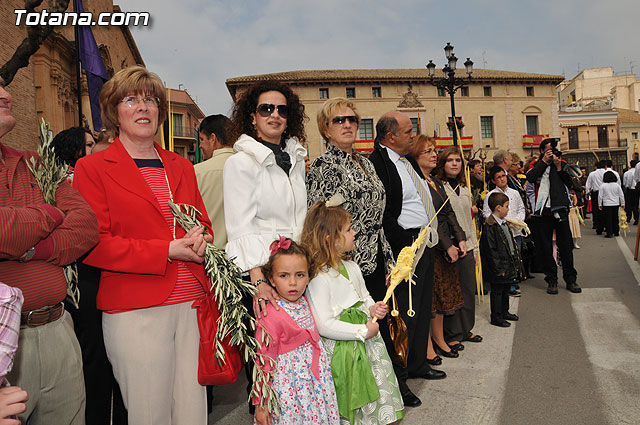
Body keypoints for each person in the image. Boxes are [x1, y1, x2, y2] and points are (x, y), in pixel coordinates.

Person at [73, 66, 212, 423]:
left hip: (191, 306)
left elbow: (204, 225)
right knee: (149, 414)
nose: (142, 108)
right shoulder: (92, 168)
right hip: (135, 309)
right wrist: (167, 250)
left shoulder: (181, 165)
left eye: (150, 100)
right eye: (131, 100)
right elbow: (93, 244)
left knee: (192, 413)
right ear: (114, 111)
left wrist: (201, 238)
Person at [1, 77, 99, 424]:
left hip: (58, 331)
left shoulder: (36, 163)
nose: (7, 94)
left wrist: (31, 248)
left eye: (5, 86)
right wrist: (51, 213)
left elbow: (87, 227)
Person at [369, 112, 445, 409]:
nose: (413, 134)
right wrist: (404, 243)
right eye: (408, 130)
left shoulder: (408, 161)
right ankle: (400, 378)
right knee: (403, 314)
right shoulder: (378, 163)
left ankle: (418, 364)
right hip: (404, 245)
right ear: (390, 137)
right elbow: (385, 212)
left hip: (424, 241)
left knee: (422, 306)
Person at [303, 201, 404, 424]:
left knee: (377, 393)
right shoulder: (319, 277)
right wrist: (361, 331)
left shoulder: (352, 267)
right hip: (345, 348)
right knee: (352, 397)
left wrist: (372, 307)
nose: (354, 232)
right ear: (330, 238)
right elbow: (324, 324)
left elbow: (363, 296)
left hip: (367, 341)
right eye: (348, 229)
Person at [224, 80, 308, 317]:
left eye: (282, 110)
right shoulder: (240, 163)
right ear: (253, 117)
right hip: (262, 274)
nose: (275, 115)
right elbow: (240, 226)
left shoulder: (296, 159)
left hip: (295, 272)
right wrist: (258, 280)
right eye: (266, 109)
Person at [306, 97, 394, 316]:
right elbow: (320, 222)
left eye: (352, 119)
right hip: (346, 262)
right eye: (338, 120)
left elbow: (377, 218)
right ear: (325, 130)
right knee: (356, 327)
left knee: (377, 324)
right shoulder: (322, 166)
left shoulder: (365, 163)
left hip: (377, 258)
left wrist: (389, 261)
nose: (347, 125)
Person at [253, 238, 340, 425]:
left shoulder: (305, 302)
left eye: (300, 275)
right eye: (284, 276)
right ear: (271, 280)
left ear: (309, 277)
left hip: (314, 381)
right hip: (289, 388)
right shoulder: (270, 314)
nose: (293, 283)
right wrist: (262, 404)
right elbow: (263, 361)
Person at [411, 136, 466, 361]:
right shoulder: (416, 183)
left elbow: (448, 212)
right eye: (428, 152)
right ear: (416, 156)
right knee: (431, 301)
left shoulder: (434, 180)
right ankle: (429, 346)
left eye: (435, 150)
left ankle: (439, 339)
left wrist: (460, 238)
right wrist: (448, 245)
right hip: (431, 246)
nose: (435, 155)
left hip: (445, 245)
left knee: (443, 298)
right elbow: (430, 218)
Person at [434, 147, 483, 349]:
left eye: (458, 160)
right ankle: (452, 333)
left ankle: (466, 329)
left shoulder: (464, 188)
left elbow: (469, 221)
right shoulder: (439, 187)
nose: (455, 164)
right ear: (443, 164)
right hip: (450, 247)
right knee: (452, 292)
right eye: (450, 160)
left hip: (469, 245)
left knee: (468, 289)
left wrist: (476, 248)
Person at [526, 138, 581, 294]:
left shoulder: (562, 164)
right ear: (542, 150)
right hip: (542, 212)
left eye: (554, 150)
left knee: (566, 246)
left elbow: (571, 183)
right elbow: (531, 177)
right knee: (545, 247)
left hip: (560, 210)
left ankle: (571, 279)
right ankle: (551, 279)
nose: (552, 153)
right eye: (549, 150)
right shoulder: (535, 165)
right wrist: (544, 162)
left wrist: (558, 166)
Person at [480, 192, 524, 327]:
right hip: (499, 267)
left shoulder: (504, 223)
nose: (508, 209)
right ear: (498, 207)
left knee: (505, 289)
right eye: (506, 206)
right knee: (497, 292)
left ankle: (505, 312)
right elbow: (491, 250)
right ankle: (496, 316)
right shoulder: (490, 226)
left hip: (507, 263)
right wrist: (498, 268)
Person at [483, 166, 526, 297]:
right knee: (503, 259)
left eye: (504, 176)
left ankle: (513, 282)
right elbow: (486, 213)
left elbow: (521, 209)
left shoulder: (514, 193)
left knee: (515, 257)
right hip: (500, 233)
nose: (502, 179)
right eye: (499, 177)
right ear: (494, 181)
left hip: (514, 231)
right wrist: (501, 221)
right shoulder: (490, 195)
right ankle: (504, 285)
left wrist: (515, 221)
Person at [195, 114, 234, 249]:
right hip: (245, 259)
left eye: (201, 139)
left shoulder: (196, 172)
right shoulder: (252, 167)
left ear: (213, 139)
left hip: (209, 256)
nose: (199, 146)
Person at [599, 170, 625, 238]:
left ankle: (609, 232)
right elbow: (621, 195)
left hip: (606, 204)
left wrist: (600, 204)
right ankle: (616, 231)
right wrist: (623, 203)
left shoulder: (603, 186)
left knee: (608, 219)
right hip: (615, 203)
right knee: (615, 218)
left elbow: (600, 196)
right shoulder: (617, 185)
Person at [623, 160, 639, 225]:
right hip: (636, 189)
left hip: (630, 190)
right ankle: (636, 218)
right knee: (636, 204)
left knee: (629, 205)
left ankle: (628, 218)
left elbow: (625, 183)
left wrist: (628, 187)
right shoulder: (637, 171)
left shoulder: (627, 173)